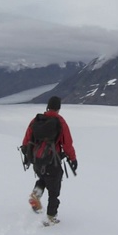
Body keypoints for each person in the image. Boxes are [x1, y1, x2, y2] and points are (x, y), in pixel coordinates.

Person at [21, 96, 77, 225]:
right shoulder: (60, 122)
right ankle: (51, 217)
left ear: (47, 106)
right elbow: (67, 144)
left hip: (37, 159)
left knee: (43, 178)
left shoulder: (37, 120)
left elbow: (26, 139)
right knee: (54, 189)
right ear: (58, 108)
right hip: (52, 160)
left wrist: (28, 156)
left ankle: (36, 195)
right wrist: (73, 158)